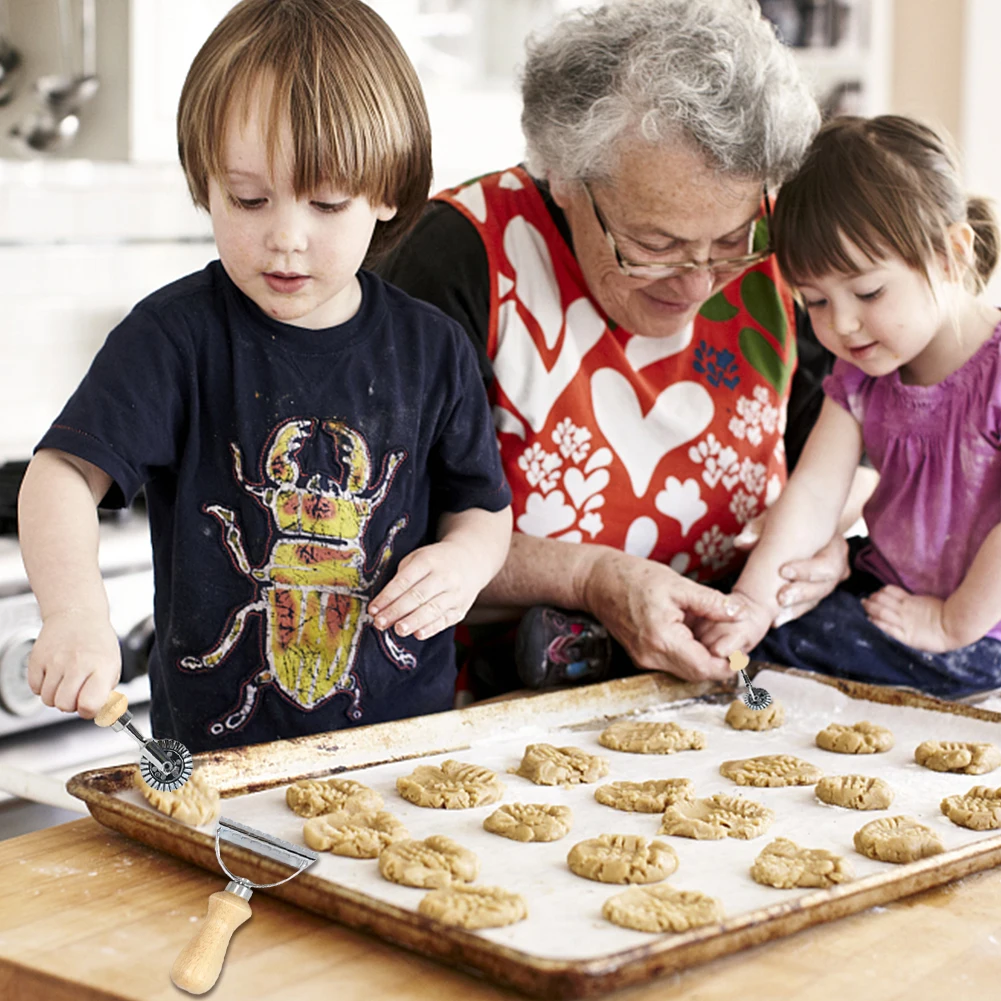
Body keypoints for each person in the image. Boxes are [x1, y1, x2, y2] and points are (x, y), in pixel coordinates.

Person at [17, 0, 513, 753]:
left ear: (385, 191)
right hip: (218, 764)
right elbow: (58, 476)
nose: (285, 236)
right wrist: (75, 612)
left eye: (325, 201)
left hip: (403, 754)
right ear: (204, 184)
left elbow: (482, 508)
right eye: (247, 199)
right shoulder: (173, 338)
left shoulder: (433, 349)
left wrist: (465, 560)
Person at [380, 0, 871, 696]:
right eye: (655, 245)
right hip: (493, 702)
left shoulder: (780, 247)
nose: (699, 282)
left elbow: (863, 439)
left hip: (731, 686)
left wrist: (825, 544)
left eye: (729, 241)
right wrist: (593, 578)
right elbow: (388, 523)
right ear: (565, 178)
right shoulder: (458, 258)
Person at [698, 114, 1001, 699]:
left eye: (868, 292)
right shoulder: (863, 373)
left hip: (979, 629)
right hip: (887, 586)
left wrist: (951, 621)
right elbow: (814, 491)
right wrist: (755, 600)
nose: (842, 324)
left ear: (950, 255)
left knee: (786, 649)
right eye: (814, 302)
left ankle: (610, 658)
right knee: (754, 603)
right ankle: (591, 646)